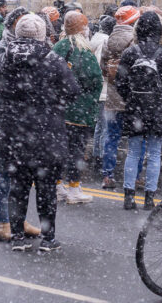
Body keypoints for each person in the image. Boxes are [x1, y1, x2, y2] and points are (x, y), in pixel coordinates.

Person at [0, 14, 81, 251]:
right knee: (46, 189)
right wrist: (51, 100)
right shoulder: (52, 60)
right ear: (42, 34)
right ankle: (48, 238)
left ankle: (18, 237)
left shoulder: (2, 60)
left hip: (14, 133)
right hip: (46, 133)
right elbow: (72, 91)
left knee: (18, 188)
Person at [0, 7, 41, 242]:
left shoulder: (23, 51)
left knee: (20, 176)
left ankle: (17, 220)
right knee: (5, 173)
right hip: (6, 123)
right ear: (13, 26)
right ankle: (4, 223)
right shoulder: (2, 51)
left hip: (20, 123)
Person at [115, 11, 162, 210]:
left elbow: (120, 83)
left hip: (135, 107)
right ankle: (149, 198)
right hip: (158, 109)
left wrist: (131, 98)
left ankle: (129, 196)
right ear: (160, 30)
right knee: (155, 153)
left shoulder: (130, 53)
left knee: (133, 152)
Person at [52, 11, 102, 205]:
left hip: (58, 110)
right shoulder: (83, 50)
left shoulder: (58, 47)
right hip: (79, 112)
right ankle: (74, 188)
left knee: (58, 150)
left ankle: (56, 186)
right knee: (76, 151)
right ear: (82, 28)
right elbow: (95, 80)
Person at [100, 5, 140, 189]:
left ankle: (108, 175)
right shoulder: (134, 40)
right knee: (136, 138)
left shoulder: (109, 40)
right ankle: (135, 176)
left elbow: (103, 67)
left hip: (112, 96)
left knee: (111, 137)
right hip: (131, 96)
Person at [89, 15, 116, 171]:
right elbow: (101, 66)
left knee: (100, 125)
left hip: (97, 89)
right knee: (105, 125)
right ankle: (101, 158)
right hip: (104, 89)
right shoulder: (105, 41)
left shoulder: (95, 38)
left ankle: (96, 153)